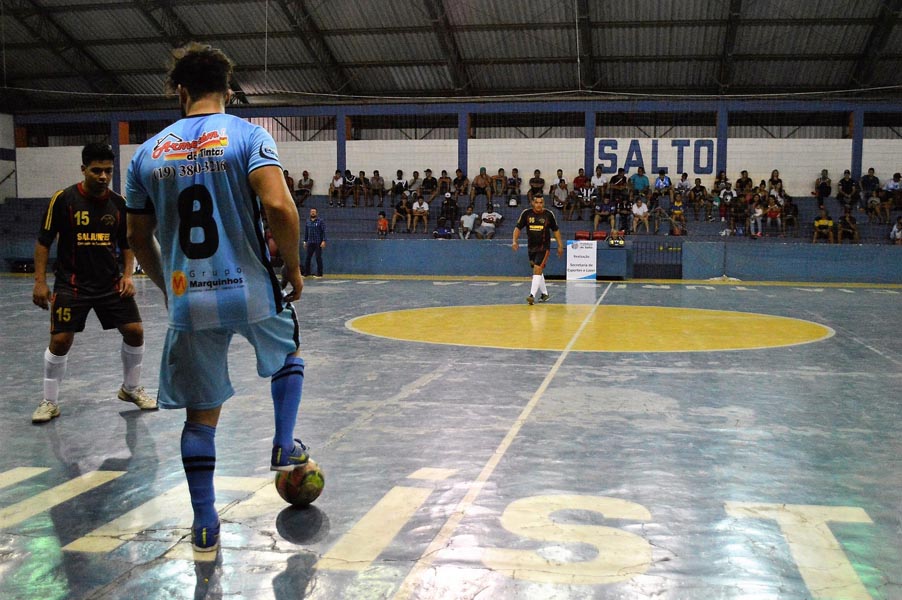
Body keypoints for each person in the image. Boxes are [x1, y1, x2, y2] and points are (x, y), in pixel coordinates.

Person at [125, 43, 309, 553]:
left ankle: (205, 524)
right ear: (227, 91)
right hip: (250, 289)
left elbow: (139, 239)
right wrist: (291, 267)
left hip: (190, 301)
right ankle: (283, 443)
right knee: (288, 353)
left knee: (199, 416)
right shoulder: (248, 135)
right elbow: (279, 205)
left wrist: (169, 285)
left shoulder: (146, 154)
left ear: (180, 92)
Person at [31, 142, 156, 423]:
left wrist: (127, 275)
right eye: (96, 170)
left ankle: (131, 388)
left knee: (135, 331)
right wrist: (39, 282)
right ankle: (49, 401)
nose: (103, 176)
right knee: (61, 340)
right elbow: (42, 243)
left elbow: (127, 244)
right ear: (83, 169)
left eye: (108, 171)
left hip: (110, 284)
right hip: (71, 284)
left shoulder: (119, 204)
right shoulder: (63, 200)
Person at [512, 193, 563, 305]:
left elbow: (556, 231)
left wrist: (560, 245)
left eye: (541, 203)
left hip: (544, 247)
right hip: (531, 247)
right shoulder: (526, 214)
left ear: (543, 203)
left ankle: (532, 296)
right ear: (532, 203)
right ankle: (544, 294)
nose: (539, 205)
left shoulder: (548, 215)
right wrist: (514, 241)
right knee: (538, 271)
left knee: (537, 268)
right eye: (537, 203)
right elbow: (517, 228)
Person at [304, 208, 326, 277]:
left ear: (316, 213)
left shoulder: (320, 221)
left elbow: (323, 231)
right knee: (308, 257)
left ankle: (319, 274)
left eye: (314, 212)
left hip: (318, 242)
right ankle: (306, 273)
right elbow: (306, 232)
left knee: (318, 257)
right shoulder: (307, 221)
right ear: (310, 213)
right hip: (310, 242)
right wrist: (305, 241)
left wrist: (324, 241)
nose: (313, 213)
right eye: (311, 212)